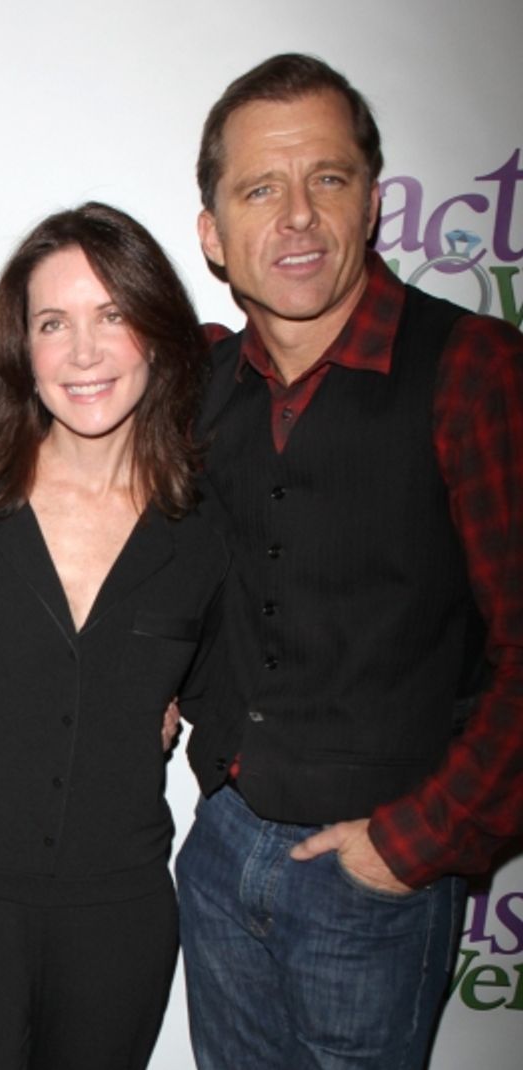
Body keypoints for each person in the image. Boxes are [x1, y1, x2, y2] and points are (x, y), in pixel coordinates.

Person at [174, 53, 523, 1070]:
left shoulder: (472, 371)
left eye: (326, 178)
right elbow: (46, 402)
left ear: (371, 204)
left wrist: (414, 845)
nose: (297, 215)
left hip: (374, 882)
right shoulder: (204, 377)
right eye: (259, 189)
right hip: (219, 852)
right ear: (213, 235)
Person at [0, 202, 229, 1070]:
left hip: (117, 915)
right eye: (53, 323)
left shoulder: (203, 524)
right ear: (24, 350)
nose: (83, 353)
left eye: (111, 315)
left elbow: (227, 698)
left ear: (156, 332)